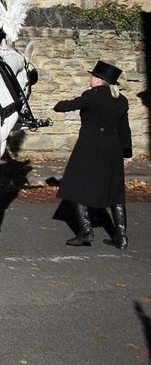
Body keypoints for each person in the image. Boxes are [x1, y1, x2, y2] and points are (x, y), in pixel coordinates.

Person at [54, 60, 133, 248]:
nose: (91, 78)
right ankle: (121, 237)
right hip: (113, 149)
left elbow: (66, 106)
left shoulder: (92, 95)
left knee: (76, 186)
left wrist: (57, 105)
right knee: (115, 192)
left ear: (98, 80)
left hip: (89, 148)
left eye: (92, 75)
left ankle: (86, 232)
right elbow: (125, 129)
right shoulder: (121, 100)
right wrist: (127, 153)